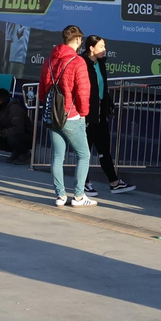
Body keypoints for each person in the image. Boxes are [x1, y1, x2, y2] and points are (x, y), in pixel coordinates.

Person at [41, 24, 96, 208]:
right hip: (72, 115)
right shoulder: (78, 61)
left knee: (57, 156)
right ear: (78, 40)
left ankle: (60, 196)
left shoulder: (50, 60)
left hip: (53, 114)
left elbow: (43, 87)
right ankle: (79, 196)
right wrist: (84, 113)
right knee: (84, 155)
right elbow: (82, 91)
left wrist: (46, 104)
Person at [82, 36, 136, 194]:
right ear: (91, 48)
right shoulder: (82, 63)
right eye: (101, 47)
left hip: (100, 113)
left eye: (104, 46)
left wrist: (109, 104)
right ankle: (84, 183)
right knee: (85, 151)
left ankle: (114, 182)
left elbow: (103, 88)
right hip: (86, 113)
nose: (104, 49)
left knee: (104, 149)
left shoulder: (101, 63)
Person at [0, 85, 32, 159]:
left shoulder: (15, 109)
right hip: (8, 133)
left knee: (12, 138)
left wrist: (0, 133)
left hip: (25, 136)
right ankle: (16, 152)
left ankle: (25, 153)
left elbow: (18, 129)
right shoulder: (0, 108)